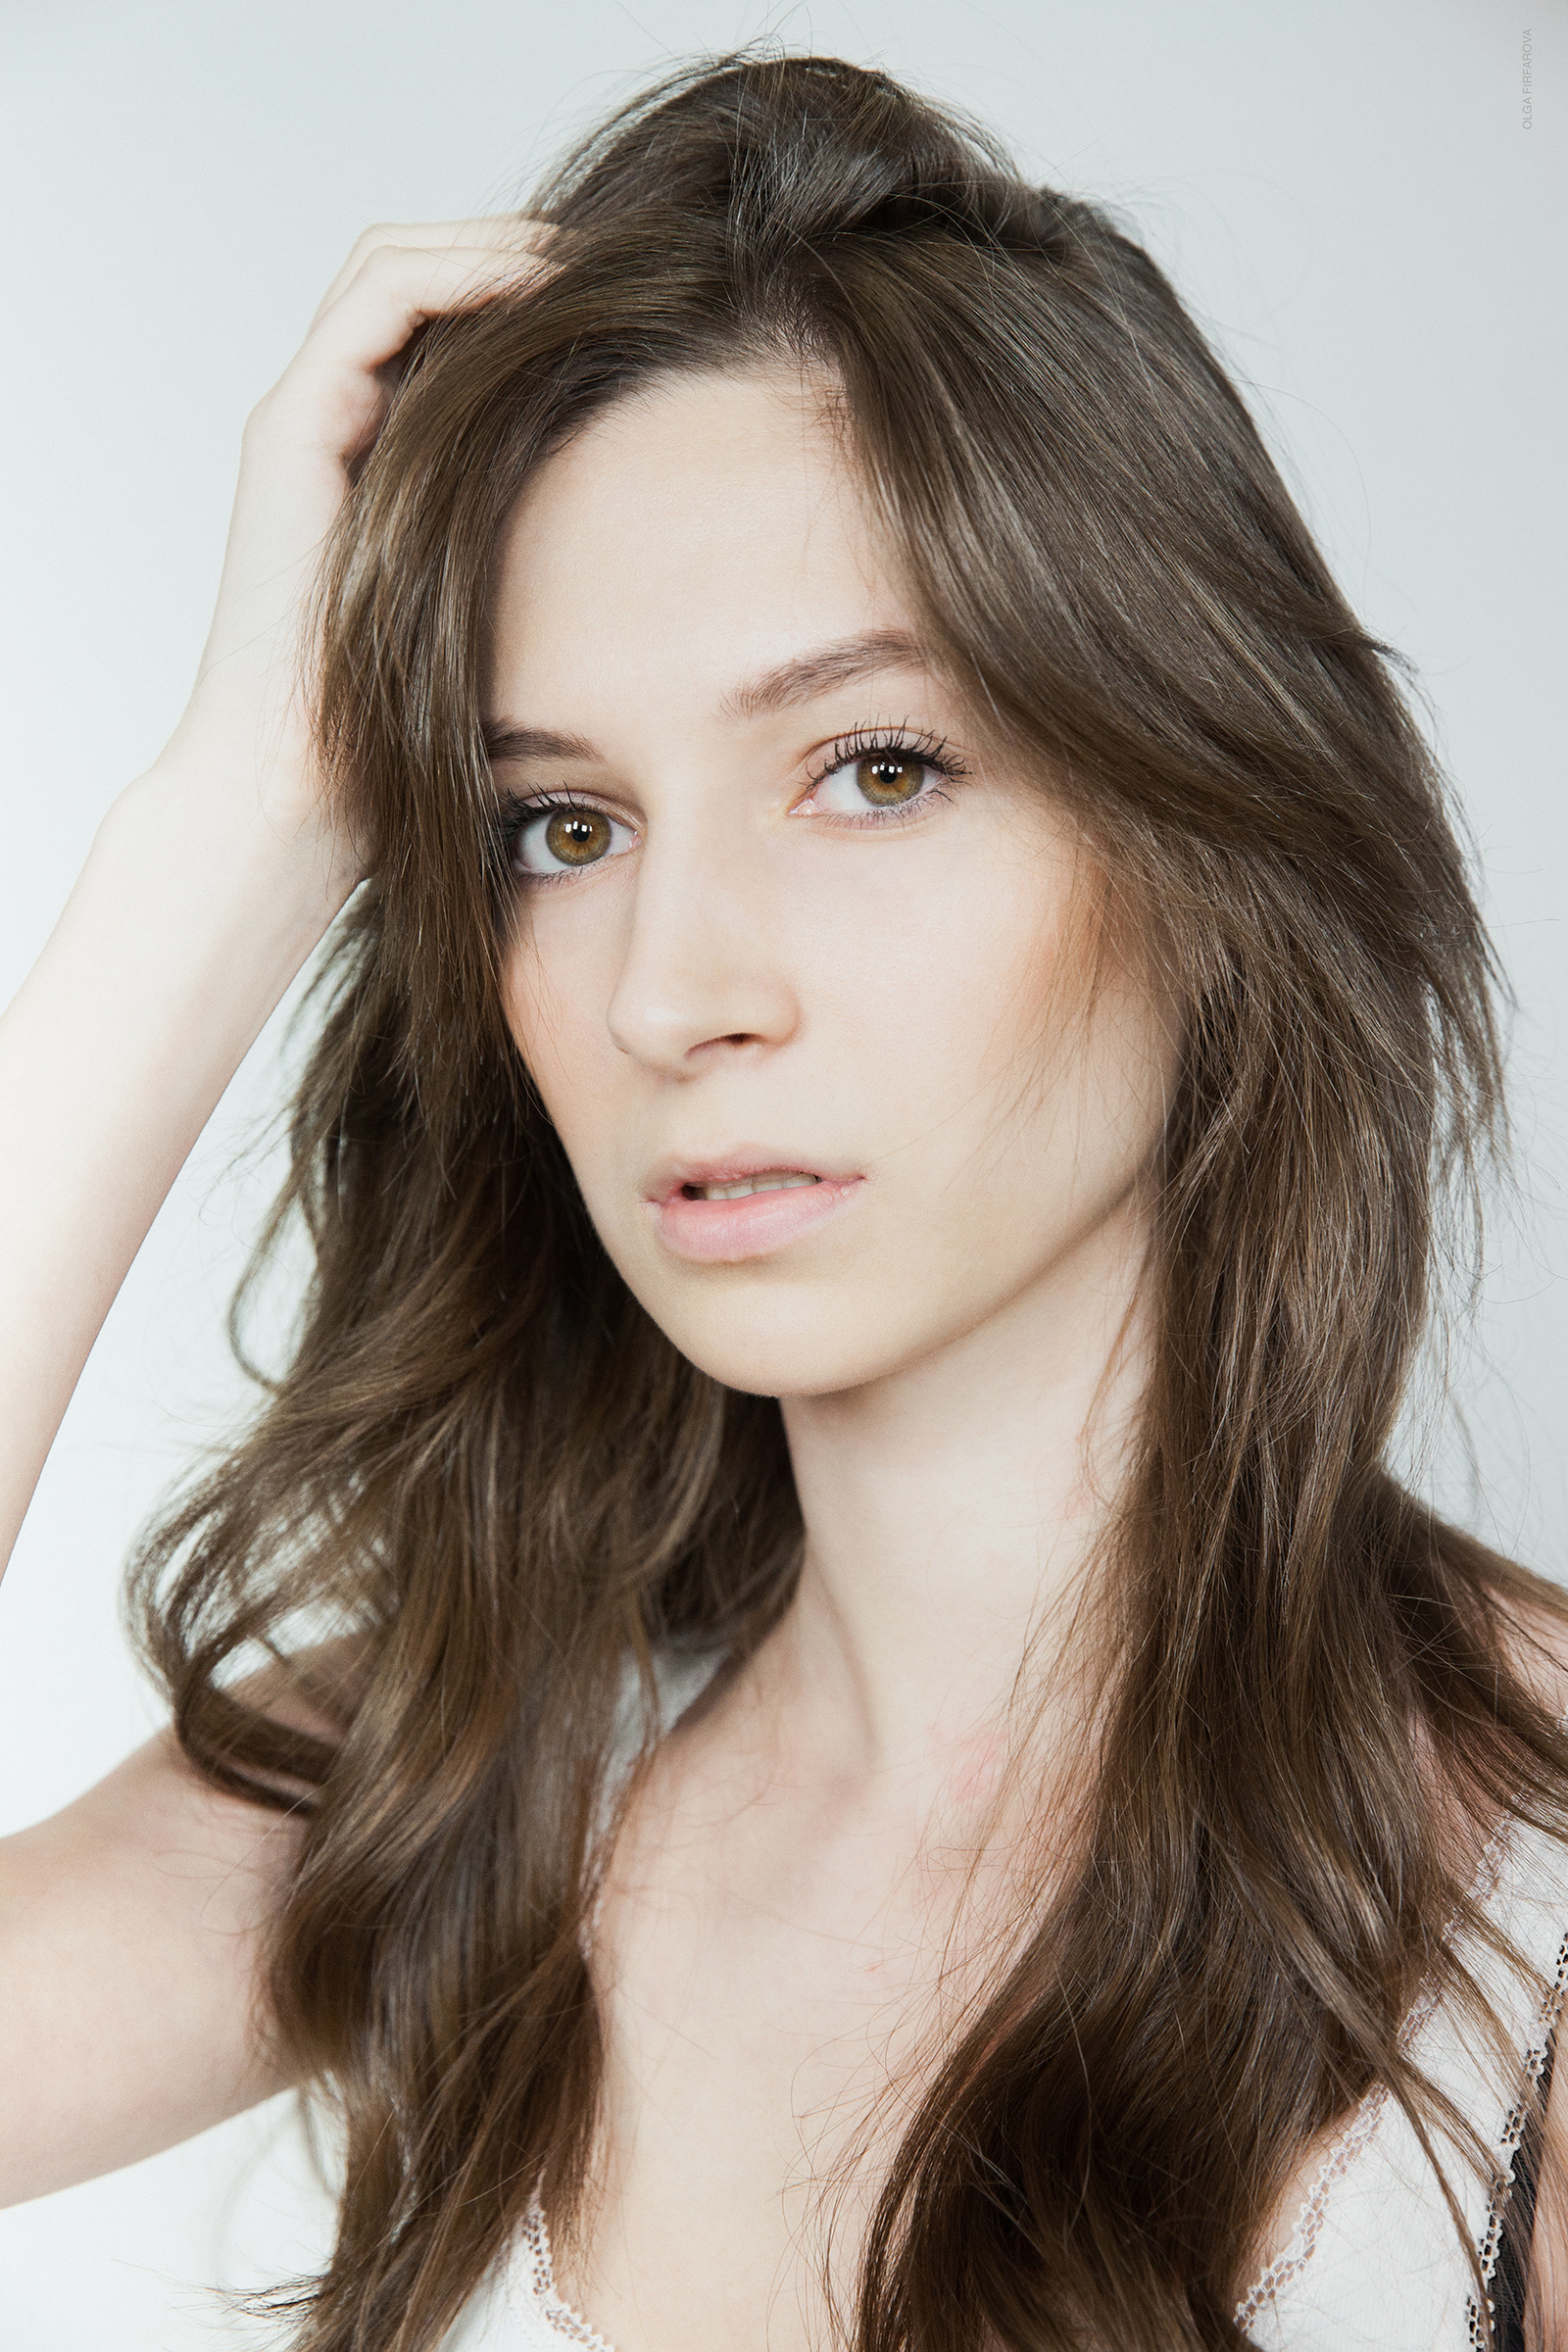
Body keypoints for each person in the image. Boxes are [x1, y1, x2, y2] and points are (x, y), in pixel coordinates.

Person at [0, 48, 1563, 2352]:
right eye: (557, 825)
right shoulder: (456, 1773)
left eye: (873, 769)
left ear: (1204, 833)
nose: (670, 991)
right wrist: (233, 822)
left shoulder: (1522, 1920)